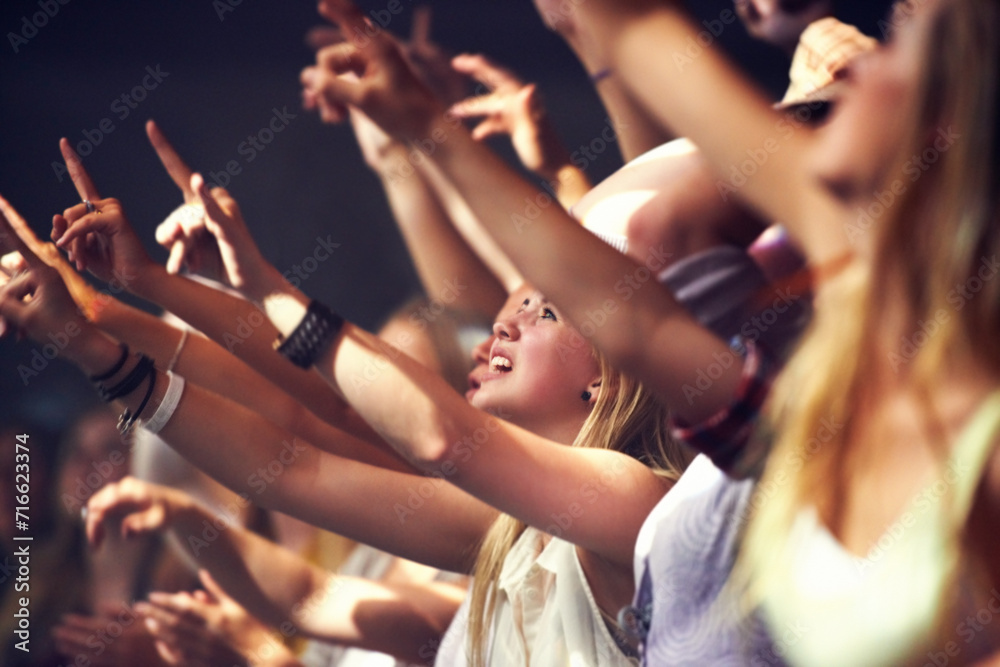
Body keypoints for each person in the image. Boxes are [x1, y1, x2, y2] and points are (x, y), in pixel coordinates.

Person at [300, 0, 1000, 663]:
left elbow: (646, 250)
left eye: (900, 53)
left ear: (951, 130)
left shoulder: (979, 441)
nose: (856, 61)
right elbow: (628, 306)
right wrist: (423, 129)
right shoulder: (796, 431)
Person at [0, 171, 688, 667]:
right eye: (507, 310)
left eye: (544, 311)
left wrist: (265, 284)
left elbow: (422, 435)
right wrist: (99, 330)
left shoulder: (634, 501)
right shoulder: (508, 529)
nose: (501, 328)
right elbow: (294, 459)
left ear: (610, 370)